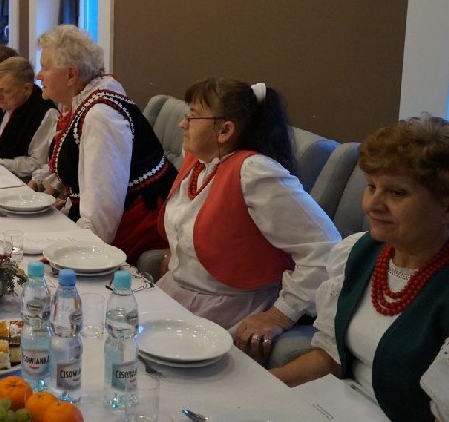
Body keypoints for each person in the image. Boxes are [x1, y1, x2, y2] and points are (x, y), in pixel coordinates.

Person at [271, 116, 449, 421]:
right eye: (371, 186)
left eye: (397, 193)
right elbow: (330, 359)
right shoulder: (359, 252)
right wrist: (259, 387)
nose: (372, 205)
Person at [156, 77, 341, 359]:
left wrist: (280, 315)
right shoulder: (200, 161)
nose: (183, 123)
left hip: (228, 309)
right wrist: (179, 257)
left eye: (192, 115)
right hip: (180, 292)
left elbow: (327, 249)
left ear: (225, 130)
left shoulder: (255, 172)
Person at [35, 24, 175, 263]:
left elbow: (103, 211)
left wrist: (77, 256)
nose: (39, 75)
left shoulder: (101, 116)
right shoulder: (82, 102)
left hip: (136, 225)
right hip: (110, 219)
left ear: (71, 74)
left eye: (45, 67)